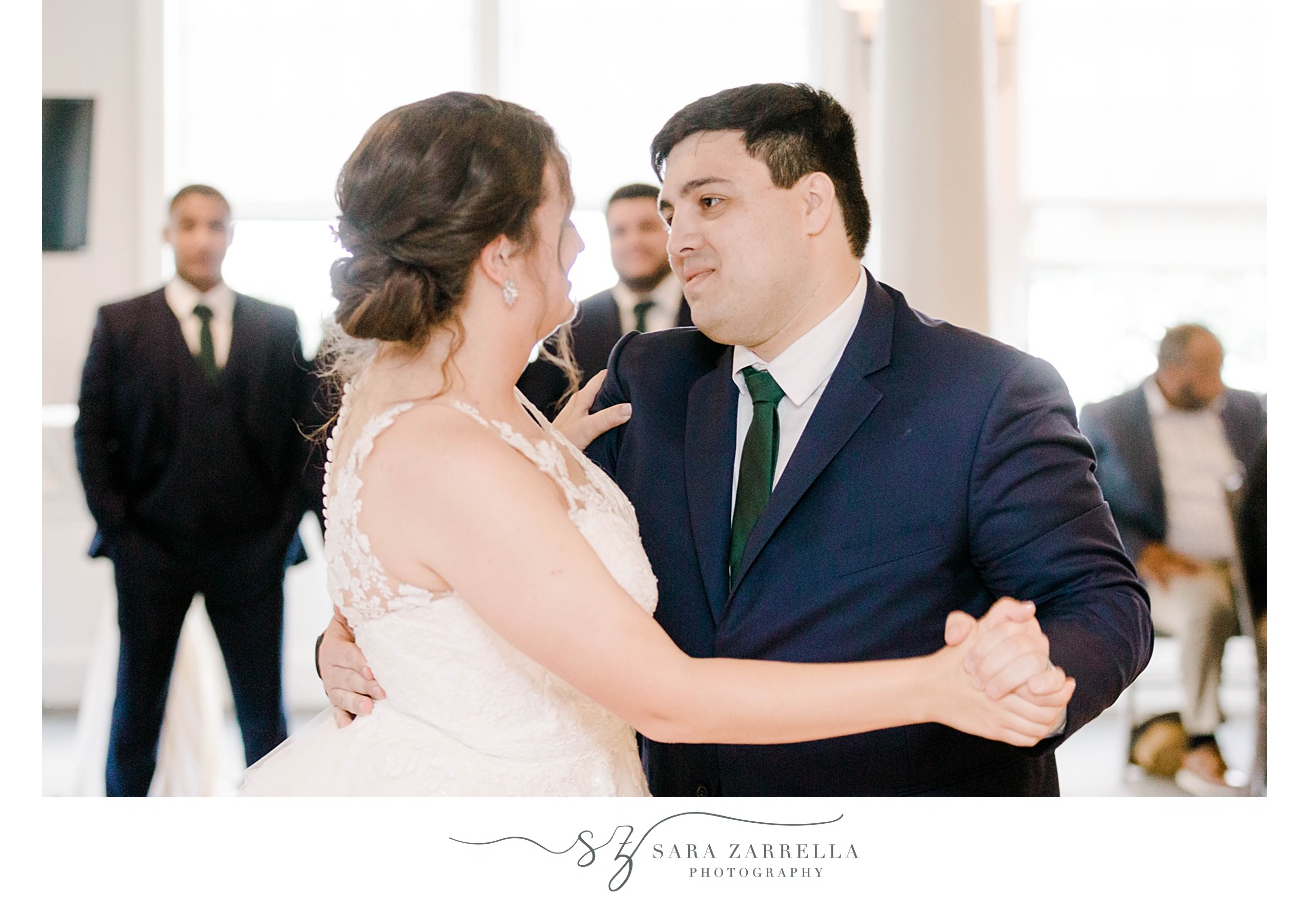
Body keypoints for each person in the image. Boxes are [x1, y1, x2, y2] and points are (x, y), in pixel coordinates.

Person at [318, 84, 1152, 796]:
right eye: (669, 209)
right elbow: (472, 553)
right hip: (666, 828)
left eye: (710, 202)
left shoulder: (986, 391)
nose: (676, 238)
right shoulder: (647, 375)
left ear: (813, 205)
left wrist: (1027, 681)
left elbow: (1104, 603)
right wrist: (349, 639)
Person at [74, 184, 319, 796]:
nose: (202, 238)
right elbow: (92, 435)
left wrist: (280, 534)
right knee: (136, 716)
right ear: (168, 233)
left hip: (252, 555)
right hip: (150, 554)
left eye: (215, 225)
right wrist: (125, 538)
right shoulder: (121, 323)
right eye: (189, 225)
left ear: (231, 235)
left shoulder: (276, 324)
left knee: (264, 716)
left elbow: (303, 441)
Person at [1079, 324, 1265, 796]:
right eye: (1209, 370)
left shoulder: (1245, 409)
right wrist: (1139, 550)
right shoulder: (1110, 417)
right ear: (1173, 369)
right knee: (1208, 610)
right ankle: (1203, 742)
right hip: (1170, 571)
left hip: (1250, 565)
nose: (1219, 383)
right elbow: (1082, 497)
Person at [516, 183, 692, 418]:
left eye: (647, 227)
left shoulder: (708, 310)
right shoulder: (571, 323)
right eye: (619, 231)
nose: (634, 241)